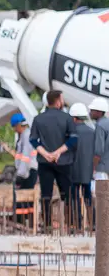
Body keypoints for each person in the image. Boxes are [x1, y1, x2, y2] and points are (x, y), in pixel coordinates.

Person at [30, 90, 75, 225]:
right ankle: (70, 223)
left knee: (46, 195)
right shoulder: (67, 118)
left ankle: (47, 224)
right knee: (67, 194)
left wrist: (46, 154)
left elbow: (33, 140)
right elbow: (73, 139)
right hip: (63, 162)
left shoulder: (38, 119)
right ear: (58, 101)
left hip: (44, 162)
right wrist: (58, 152)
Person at [70, 103, 96, 229]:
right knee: (88, 197)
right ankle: (93, 223)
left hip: (73, 171)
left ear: (74, 118)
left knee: (74, 198)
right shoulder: (92, 132)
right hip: (87, 171)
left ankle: (77, 225)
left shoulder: (70, 133)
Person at [92, 98, 109, 181]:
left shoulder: (100, 125)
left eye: (92, 110)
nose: (90, 112)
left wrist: (93, 167)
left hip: (101, 169)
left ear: (99, 112)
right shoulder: (107, 122)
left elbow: (98, 151)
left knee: (101, 189)